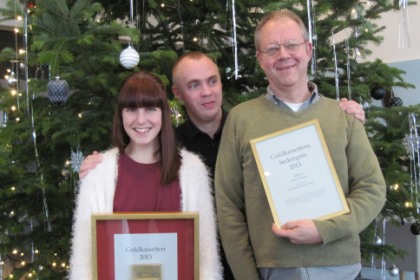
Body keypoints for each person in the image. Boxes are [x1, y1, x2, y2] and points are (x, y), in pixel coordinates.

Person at [78, 52, 367, 280]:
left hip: (260, 262)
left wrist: (345, 117)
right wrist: (98, 165)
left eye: (212, 81)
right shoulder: (173, 149)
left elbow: (303, 148)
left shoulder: (252, 127)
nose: (206, 92)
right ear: (178, 95)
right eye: (194, 85)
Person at [214, 9, 386, 280]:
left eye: (292, 44)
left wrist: (325, 229)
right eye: (272, 48)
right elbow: (228, 206)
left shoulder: (342, 116)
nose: (283, 55)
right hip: (273, 271)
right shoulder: (240, 119)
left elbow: (372, 188)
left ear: (308, 49)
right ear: (260, 59)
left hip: (342, 269)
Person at [69, 71, 222, 279]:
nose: (141, 120)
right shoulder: (98, 173)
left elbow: (206, 261)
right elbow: (84, 262)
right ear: (121, 115)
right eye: (131, 109)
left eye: (150, 109)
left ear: (163, 114)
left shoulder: (193, 171)